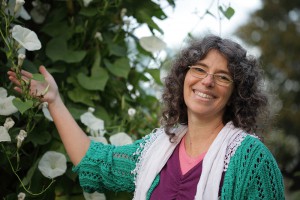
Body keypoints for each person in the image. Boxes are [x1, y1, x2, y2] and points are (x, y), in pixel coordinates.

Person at [8, 35, 285, 200]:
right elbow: (93, 161)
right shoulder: (157, 148)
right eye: (199, 70)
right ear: (184, 77)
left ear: (237, 94)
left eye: (222, 77)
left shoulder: (252, 159)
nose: (207, 81)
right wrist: (54, 101)